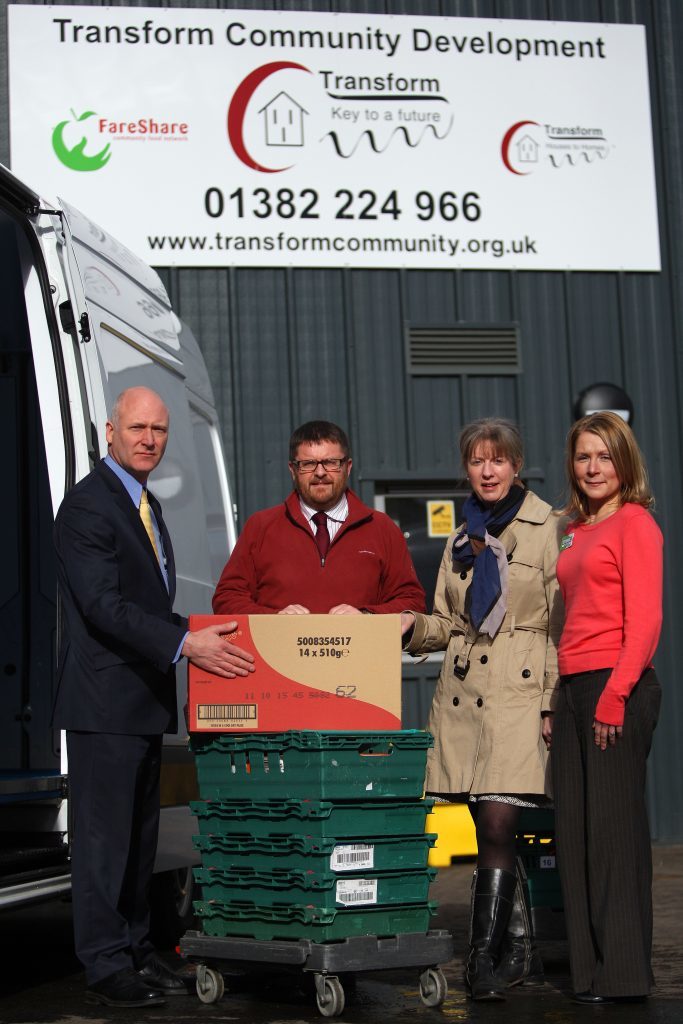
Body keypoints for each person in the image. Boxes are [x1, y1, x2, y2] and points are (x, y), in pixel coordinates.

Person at [53, 387, 256, 1008]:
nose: (149, 439)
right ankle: (105, 963)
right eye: (137, 428)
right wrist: (185, 642)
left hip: (142, 701)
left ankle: (139, 951)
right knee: (103, 843)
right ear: (109, 430)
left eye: (159, 430)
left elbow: (147, 599)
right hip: (105, 705)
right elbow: (104, 607)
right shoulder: (89, 507)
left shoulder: (144, 503)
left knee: (140, 842)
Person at [401, 418, 565, 1001]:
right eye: (477, 461)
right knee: (485, 827)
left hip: (520, 694)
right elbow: (447, 622)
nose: (488, 470)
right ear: (466, 468)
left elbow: (557, 623)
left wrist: (550, 701)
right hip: (466, 695)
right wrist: (408, 627)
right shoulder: (457, 538)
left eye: (498, 460)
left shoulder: (549, 528)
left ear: (516, 465)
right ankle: (515, 949)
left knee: (499, 823)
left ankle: (481, 962)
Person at [551, 411, 663, 1004]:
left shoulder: (635, 523)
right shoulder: (573, 528)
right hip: (572, 690)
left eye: (604, 455)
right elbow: (566, 621)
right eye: (583, 456)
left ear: (624, 462)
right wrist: (555, 700)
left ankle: (624, 977)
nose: (593, 467)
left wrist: (615, 696)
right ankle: (589, 974)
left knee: (613, 836)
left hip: (616, 685)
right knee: (573, 833)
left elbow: (644, 621)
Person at [213, 419, 425, 616]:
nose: (320, 472)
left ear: (347, 467)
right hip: (279, 656)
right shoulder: (261, 526)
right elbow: (226, 598)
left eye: (331, 462)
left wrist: (367, 617)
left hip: (359, 656)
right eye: (308, 464)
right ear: (292, 470)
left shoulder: (381, 528)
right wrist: (273, 619)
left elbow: (412, 602)